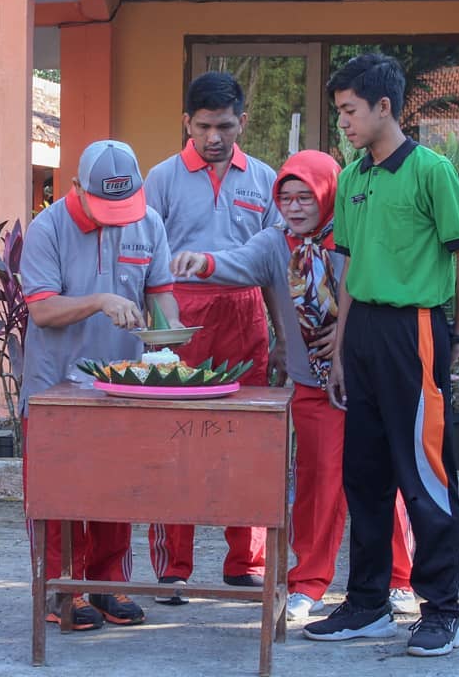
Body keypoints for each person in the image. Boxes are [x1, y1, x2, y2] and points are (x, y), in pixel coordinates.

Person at [170, 150, 419, 622]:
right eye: (286, 198)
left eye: (306, 196)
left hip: (370, 383)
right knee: (316, 483)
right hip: (313, 387)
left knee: (384, 482)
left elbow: (385, 290)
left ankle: (400, 578)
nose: (296, 207)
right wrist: (200, 262)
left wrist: (345, 326)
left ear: (328, 195)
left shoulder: (357, 234)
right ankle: (308, 583)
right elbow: (235, 264)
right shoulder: (273, 244)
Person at [302, 53, 459, 657]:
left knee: (426, 475)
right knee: (366, 476)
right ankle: (366, 604)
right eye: (339, 113)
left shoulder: (432, 172)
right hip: (364, 339)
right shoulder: (354, 177)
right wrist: (340, 350)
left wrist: (455, 339)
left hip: (418, 331)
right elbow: (350, 271)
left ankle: (442, 610)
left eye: (350, 111)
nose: (345, 124)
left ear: (385, 107)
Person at [21, 139, 182, 631]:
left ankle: (107, 582)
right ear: (76, 189)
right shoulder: (47, 228)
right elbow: (43, 308)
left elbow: (162, 296)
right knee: (59, 493)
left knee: (119, 489)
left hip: (124, 385)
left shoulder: (148, 223)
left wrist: (170, 346)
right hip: (57, 388)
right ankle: (60, 587)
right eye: (106, 206)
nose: (117, 218)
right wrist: (99, 300)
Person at [142, 71, 280, 599]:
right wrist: (157, 333)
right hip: (180, 315)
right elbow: (149, 261)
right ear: (187, 123)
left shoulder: (265, 179)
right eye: (203, 127)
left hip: (246, 315)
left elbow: (271, 265)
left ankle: (244, 558)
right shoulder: (162, 178)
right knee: (175, 438)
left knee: (248, 438)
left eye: (225, 125)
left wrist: (282, 336)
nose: (214, 138)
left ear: (242, 121)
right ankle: (173, 564)